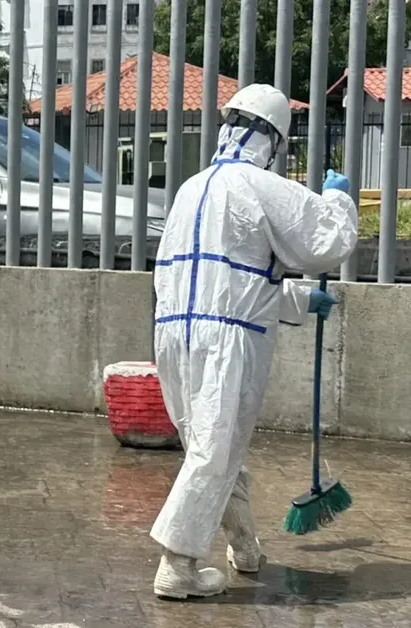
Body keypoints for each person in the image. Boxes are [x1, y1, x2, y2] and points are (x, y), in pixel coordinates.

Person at [149, 83, 358, 599]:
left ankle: (244, 545)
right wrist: (338, 197)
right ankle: (176, 566)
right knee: (215, 453)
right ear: (272, 139)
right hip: (228, 342)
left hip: (175, 333)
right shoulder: (260, 186)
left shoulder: (192, 188)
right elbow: (326, 245)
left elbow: (228, 279)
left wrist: (301, 301)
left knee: (213, 447)